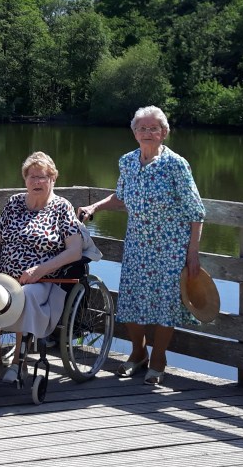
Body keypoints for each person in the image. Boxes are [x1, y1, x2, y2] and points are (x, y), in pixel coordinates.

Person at [78, 106, 205, 386]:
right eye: (142, 128)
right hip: (137, 245)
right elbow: (121, 196)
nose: (147, 133)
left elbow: (196, 211)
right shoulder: (127, 161)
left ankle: (158, 358)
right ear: (134, 132)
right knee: (131, 302)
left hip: (170, 248)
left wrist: (192, 253)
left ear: (164, 133)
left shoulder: (176, 165)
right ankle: (138, 353)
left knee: (165, 306)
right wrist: (94, 206)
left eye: (153, 128)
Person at [0, 151, 84, 382]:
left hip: (42, 280)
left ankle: (19, 363)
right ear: (25, 180)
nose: (37, 182)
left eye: (42, 177)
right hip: (5, 277)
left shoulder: (62, 208)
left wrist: (40, 270)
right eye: (32, 176)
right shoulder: (14, 203)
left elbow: (75, 251)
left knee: (25, 296)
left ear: (53, 179)